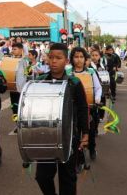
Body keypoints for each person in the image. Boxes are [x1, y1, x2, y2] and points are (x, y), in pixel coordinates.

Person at [35, 43, 89, 195]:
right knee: (42, 177)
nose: (53, 61)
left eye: (58, 58)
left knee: (68, 179)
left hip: (69, 137)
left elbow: (84, 109)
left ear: (66, 61)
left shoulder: (74, 83)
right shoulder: (41, 81)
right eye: (51, 57)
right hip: (45, 136)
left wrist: (85, 133)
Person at [70, 47, 102, 160]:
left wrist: (97, 98)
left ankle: (92, 149)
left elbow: (98, 88)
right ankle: (79, 157)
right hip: (73, 109)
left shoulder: (91, 72)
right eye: (76, 57)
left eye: (81, 57)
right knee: (75, 132)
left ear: (85, 59)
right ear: (72, 58)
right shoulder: (68, 73)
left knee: (90, 131)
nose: (79, 60)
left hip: (89, 108)